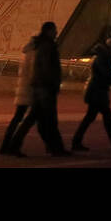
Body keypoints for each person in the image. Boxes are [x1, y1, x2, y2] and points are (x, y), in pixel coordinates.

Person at [9, 21, 70, 156]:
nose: (56, 33)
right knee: (50, 120)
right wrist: (52, 84)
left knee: (35, 118)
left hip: (40, 86)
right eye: (54, 30)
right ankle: (56, 148)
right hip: (45, 88)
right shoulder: (48, 47)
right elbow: (47, 68)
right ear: (48, 31)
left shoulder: (40, 46)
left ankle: (15, 145)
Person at [71, 37, 111, 151]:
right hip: (97, 92)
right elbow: (107, 76)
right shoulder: (103, 58)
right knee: (101, 116)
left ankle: (77, 141)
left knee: (97, 116)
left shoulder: (103, 56)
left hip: (97, 91)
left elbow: (106, 76)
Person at [0, 33, 38, 156]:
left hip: (23, 90)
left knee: (18, 118)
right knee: (33, 118)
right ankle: (13, 146)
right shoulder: (33, 54)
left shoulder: (25, 53)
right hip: (29, 91)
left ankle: (6, 145)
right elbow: (33, 74)